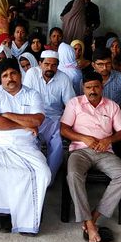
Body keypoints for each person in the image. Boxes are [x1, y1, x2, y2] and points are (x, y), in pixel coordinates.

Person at [0, 58, 50, 235]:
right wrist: (23, 125)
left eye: (13, 73)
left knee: (43, 173)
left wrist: (7, 114)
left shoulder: (32, 94)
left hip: (27, 146)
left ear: (20, 74)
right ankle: (5, 212)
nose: (10, 78)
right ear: (1, 78)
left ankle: (27, 218)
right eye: (5, 75)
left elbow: (37, 120)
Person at [60, 71, 121, 242]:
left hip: (104, 152)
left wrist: (108, 140)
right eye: (88, 87)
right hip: (80, 151)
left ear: (102, 87)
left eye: (96, 87)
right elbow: (64, 129)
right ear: (83, 88)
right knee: (73, 175)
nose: (92, 91)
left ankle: (94, 216)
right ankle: (90, 224)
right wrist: (83, 138)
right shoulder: (74, 103)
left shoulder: (112, 106)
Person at [23, 51, 75, 179]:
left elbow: (70, 104)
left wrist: (67, 124)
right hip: (34, 117)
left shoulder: (64, 78)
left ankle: (48, 177)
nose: (50, 68)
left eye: (54, 65)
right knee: (28, 140)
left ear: (58, 66)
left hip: (54, 118)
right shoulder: (31, 74)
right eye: (46, 64)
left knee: (58, 143)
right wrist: (28, 122)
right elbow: (25, 99)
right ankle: (32, 174)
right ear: (40, 63)